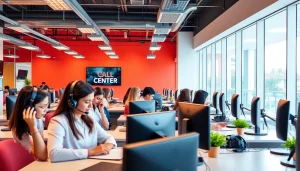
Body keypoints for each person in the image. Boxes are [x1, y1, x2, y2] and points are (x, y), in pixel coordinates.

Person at [47, 80, 117, 162]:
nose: (91, 106)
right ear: (72, 102)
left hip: (89, 165)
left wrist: (107, 146)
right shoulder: (58, 121)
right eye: (87, 102)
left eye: (91, 101)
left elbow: (108, 137)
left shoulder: (89, 119)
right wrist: (91, 152)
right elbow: (54, 154)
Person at [8, 86, 48, 161]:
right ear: (29, 107)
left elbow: (42, 146)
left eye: (46, 106)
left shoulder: (38, 120)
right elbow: (43, 155)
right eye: (42, 107)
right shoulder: (19, 130)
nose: (46, 110)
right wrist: (33, 128)